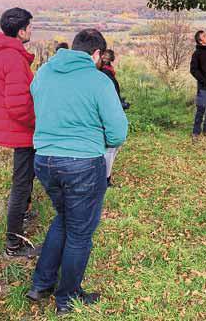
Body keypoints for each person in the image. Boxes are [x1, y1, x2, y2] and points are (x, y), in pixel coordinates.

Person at [26, 29, 128, 315]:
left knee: (65, 218)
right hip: (82, 162)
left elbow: (39, 108)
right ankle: (67, 298)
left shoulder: (44, 73)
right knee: (80, 233)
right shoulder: (98, 80)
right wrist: (95, 140)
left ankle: (41, 283)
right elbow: (118, 133)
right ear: (96, 54)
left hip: (44, 159)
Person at [0, 7, 40, 258]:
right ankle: (13, 244)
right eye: (30, 27)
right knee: (21, 182)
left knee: (25, 178)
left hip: (12, 127)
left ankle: (23, 215)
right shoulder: (12, 58)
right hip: (20, 129)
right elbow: (19, 105)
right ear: (21, 30)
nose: (31, 31)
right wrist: (39, 123)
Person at [97, 49, 129, 187]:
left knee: (112, 146)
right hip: (108, 112)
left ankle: (105, 178)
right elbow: (109, 94)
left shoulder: (107, 71)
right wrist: (120, 104)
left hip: (111, 109)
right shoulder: (105, 73)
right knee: (111, 147)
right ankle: (105, 180)